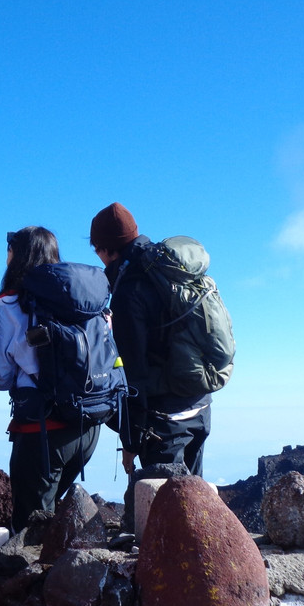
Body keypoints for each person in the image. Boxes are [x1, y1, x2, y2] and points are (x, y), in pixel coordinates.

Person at [0, 226, 102, 533]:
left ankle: (42, 581)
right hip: (88, 425)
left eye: (10, 250)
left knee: (31, 529)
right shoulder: (79, 300)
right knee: (50, 518)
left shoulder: (9, 305)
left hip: (43, 429)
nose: (7, 257)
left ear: (19, 255)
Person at [89, 203, 212, 477]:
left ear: (107, 249)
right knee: (194, 502)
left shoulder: (130, 286)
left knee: (165, 508)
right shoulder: (168, 269)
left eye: (97, 249)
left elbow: (135, 372)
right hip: (199, 407)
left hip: (164, 423)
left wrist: (131, 440)